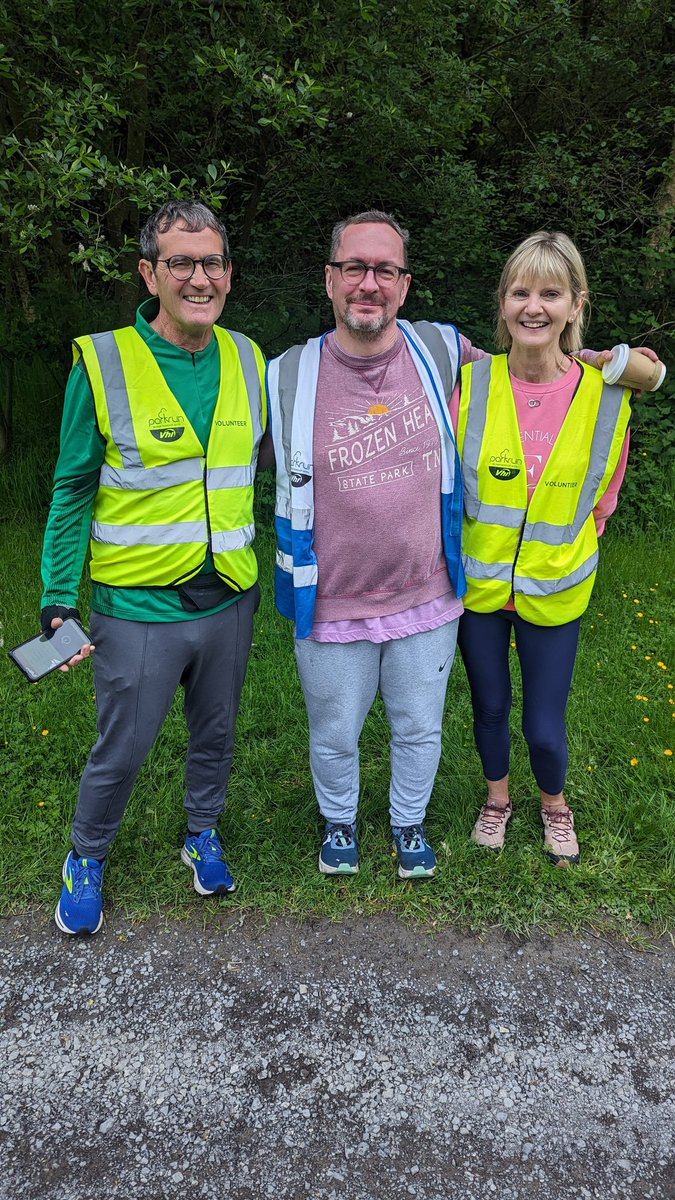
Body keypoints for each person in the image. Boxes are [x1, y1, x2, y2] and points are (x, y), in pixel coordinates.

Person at [42, 200, 269, 934]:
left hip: (229, 596)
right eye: (180, 262)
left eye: (211, 263)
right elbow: (73, 486)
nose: (197, 277)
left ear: (228, 275)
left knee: (217, 732)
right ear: (150, 272)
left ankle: (201, 834)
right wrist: (56, 599)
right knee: (124, 745)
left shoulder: (248, 356)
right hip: (136, 608)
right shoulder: (103, 361)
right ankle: (86, 855)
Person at [267, 210, 498, 880]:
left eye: (384, 270)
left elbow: (527, 381)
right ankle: (339, 822)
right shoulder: (284, 374)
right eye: (355, 268)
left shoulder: (443, 351)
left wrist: (610, 367)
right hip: (329, 599)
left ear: (403, 284)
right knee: (334, 732)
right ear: (330, 279)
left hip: (426, 591)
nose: (368, 283)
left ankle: (407, 823)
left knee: (419, 725)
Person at [454, 230, 661, 864]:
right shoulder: (469, 383)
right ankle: (497, 799)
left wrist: (621, 361)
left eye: (551, 293)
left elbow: (607, 490)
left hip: (556, 588)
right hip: (479, 589)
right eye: (520, 292)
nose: (533, 307)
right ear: (503, 304)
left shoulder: (607, 391)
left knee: (544, 727)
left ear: (576, 305)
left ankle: (554, 804)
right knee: (489, 708)